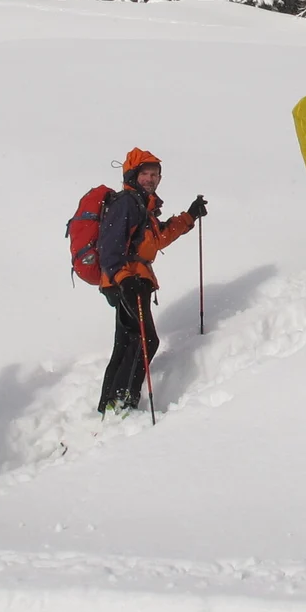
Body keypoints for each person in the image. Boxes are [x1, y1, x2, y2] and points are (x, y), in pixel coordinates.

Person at [97, 148, 205, 415]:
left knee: (127, 341)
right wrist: (123, 279)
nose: (150, 179)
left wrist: (189, 216)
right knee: (146, 340)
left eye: (155, 174)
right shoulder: (127, 202)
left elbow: (158, 239)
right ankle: (123, 401)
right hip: (129, 279)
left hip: (130, 279)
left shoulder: (142, 206)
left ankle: (109, 405)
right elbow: (109, 246)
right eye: (144, 174)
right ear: (132, 176)